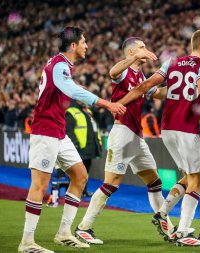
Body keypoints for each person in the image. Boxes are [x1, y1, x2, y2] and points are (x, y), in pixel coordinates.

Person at [117, 30, 200, 246]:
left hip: (167, 128)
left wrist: (120, 103)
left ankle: (163, 212)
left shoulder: (172, 63)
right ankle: (184, 231)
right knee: (197, 180)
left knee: (191, 175)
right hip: (186, 127)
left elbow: (148, 88)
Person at [18, 26, 126, 253]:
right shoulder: (59, 64)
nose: (87, 46)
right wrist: (107, 104)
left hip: (58, 130)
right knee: (40, 185)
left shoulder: (61, 65)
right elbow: (67, 87)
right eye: (84, 42)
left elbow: (68, 87)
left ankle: (64, 233)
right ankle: (27, 242)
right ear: (74, 45)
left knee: (80, 175)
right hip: (45, 129)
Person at [75, 37, 169, 245]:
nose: (146, 50)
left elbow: (158, 93)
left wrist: (180, 87)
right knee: (112, 183)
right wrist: (136, 57)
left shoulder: (141, 75)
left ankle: (167, 226)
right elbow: (113, 72)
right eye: (142, 47)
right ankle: (84, 227)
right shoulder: (125, 71)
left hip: (136, 136)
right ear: (131, 52)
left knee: (154, 181)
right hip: (122, 133)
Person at [66, 100, 103, 197]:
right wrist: (76, 145)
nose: (84, 97)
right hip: (79, 148)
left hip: (89, 148)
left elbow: (97, 119)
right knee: (76, 173)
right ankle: (74, 193)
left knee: (86, 173)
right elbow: (69, 131)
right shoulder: (70, 112)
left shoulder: (87, 111)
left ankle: (83, 191)